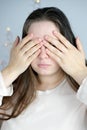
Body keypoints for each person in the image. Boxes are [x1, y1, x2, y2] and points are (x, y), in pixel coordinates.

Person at [0, 6, 87, 130]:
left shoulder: (82, 95)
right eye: (34, 45)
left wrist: (81, 72)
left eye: (52, 45)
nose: (42, 55)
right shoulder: (7, 92)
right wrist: (12, 70)